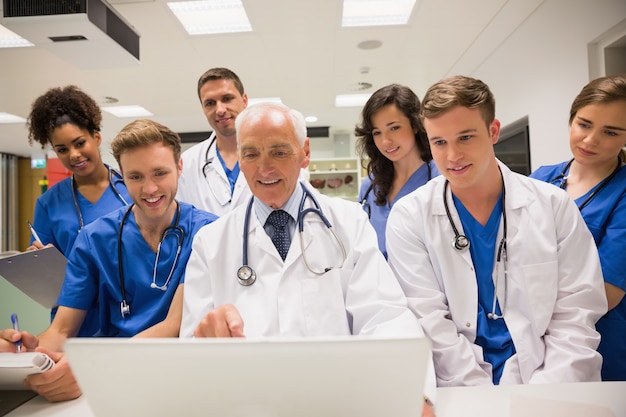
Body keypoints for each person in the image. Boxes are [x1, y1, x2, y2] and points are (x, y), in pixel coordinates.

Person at [180, 102, 435, 416]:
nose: (264, 168)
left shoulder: (348, 222)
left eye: (279, 151)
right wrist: (206, 341)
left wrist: (410, 391)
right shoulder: (210, 242)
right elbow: (193, 348)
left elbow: (384, 315)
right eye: (251, 153)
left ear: (305, 152)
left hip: (336, 402)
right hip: (249, 406)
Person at [386, 75, 607, 386]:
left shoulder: (553, 207)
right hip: (457, 384)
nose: (452, 156)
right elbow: (429, 321)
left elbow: (576, 315)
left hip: (551, 380)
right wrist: (478, 394)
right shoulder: (410, 216)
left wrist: (544, 392)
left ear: (493, 131)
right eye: (439, 142)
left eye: (465, 137)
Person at [0, 119, 218, 402]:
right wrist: (28, 354)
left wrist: (94, 367)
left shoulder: (208, 232)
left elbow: (174, 324)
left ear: (179, 167)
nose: (149, 189)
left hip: (180, 377)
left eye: (160, 173)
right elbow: (63, 328)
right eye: (135, 177)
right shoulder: (94, 239)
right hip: (112, 384)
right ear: (122, 176)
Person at [529, 74, 626, 381]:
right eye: (584, 124)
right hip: (532, 337)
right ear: (571, 120)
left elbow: (607, 293)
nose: (590, 140)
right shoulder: (541, 178)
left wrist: (529, 292)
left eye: (610, 132)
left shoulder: (622, 192)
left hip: (599, 342)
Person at [26, 85, 132, 337]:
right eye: (62, 149)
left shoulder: (132, 190)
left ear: (96, 137)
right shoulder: (49, 203)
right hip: (72, 319)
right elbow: (43, 268)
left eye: (79, 143)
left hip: (127, 312)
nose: (74, 154)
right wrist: (37, 260)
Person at [355, 84, 440, 258]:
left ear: (415, 124)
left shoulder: (440, 179)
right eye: (377, 132)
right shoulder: (370, 185)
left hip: (423, 282)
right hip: (375, 281)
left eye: (394, 128)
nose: (385, 141)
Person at [176, 67, 251, 215]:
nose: (220, 110)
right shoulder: (187, 162)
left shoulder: (274, 155)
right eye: (210, 103)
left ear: (244, 100)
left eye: (227, 99)